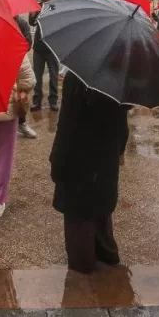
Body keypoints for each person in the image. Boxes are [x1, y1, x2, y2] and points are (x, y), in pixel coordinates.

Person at [49, 74, 129, 275]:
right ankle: (107, 257)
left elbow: (66, 125)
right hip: (105, 158)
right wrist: (119, 149)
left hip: (78, 162)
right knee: (101, 212)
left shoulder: (76, 78)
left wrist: (56, 162)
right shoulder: (120, 77)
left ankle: (85, 269)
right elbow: (122, 124)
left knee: (79, 222)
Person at [0, 50, 35, 218]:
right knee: (5, 158)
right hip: (9, 112)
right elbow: (28, 79)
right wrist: (19, 93)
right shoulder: (14, 46)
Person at [30, 0, 60, 112]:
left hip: (52, 47)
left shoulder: (55, 7)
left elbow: (53, 19)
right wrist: (32, 12)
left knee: (53, 75)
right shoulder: (38, 6)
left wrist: (41, 9)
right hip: (39, 47)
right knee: (37, 76)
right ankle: (37, 101)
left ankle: (53, 101)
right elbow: (32, 23)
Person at [14, 15, 37, 139]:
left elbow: (27, 44)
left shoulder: (21, 23)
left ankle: (21, 123)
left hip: (18, 63)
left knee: (20, 95)